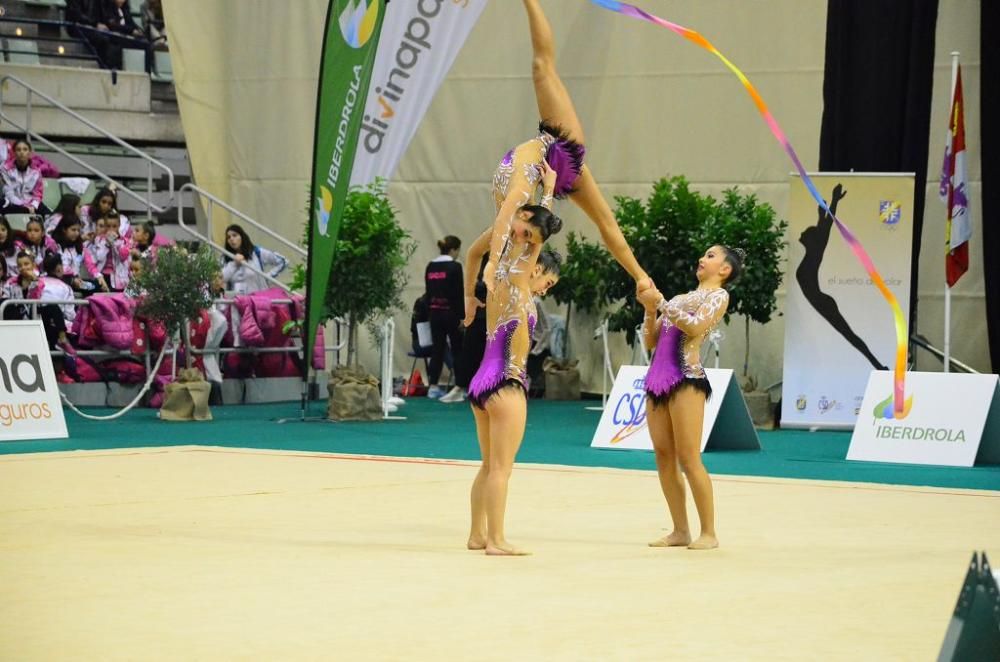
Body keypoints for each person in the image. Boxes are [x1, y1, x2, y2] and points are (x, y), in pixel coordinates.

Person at [481, 0, 651, 301]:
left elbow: (496, 236)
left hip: (557, 151)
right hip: (563, 165)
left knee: (542, 67)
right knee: (542, 67)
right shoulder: (523, 218)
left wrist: (492, 263)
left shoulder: (516, 205)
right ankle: (641, 275)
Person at [464, 145, 562, 555]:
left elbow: (477, 250)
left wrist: (471, 298)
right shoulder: (521, 271)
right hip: (506, 381)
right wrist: (548, 192)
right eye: (524, 231)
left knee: (489, 466)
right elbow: (535, 230)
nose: (524, 238)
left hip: (481, 382)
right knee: (502, 468)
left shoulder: (502, 268)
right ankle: (497, 540)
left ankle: (476, 534)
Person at [636, 245, 744, 551]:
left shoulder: (718, 296)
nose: (702, 258)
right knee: (663, 456)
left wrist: (662, 302)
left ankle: (708, 532)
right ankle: (680, 530)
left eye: (711, 256)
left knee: (688, 456)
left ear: (725, 270)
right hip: (658, 381)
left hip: (687, 378)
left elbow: (695, 326)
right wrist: (649, 308)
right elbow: (652, 341)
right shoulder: (681, 298)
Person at [447, 229, 561, 404]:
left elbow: (474, 252)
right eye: (548, 284)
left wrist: (469, 295)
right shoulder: (519, 293)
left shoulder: (498, 283)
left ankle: (460, 386)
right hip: (507, 385)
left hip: (481, 382)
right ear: (536, 269)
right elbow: (537, 231)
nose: (545, 291)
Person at [796, 184, 887, 370]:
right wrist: (822, 213)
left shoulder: (814, 253)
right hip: (820, 302)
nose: (801, 233)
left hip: (823, 302)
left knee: (849, 335)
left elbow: (826, 227)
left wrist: (835, 201)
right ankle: (876, 365)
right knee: (846, 336)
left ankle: (878, 365)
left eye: (806, 233)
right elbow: (823, 225)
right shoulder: (812, 252)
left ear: (812, 239)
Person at [424, 235, 464, 399]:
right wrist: (462, 316)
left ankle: (432, 386)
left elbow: (428, 292)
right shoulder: (455, 267)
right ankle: (460, 385)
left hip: (435, 314)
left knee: (437, 350)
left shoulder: (431, 266)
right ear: (453, 249)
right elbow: (458, 293)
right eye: (458, 251)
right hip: (451, 314)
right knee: (457, 350)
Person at [221, 224, 288, 295]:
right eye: (228, 237)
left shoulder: (256, 252)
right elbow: (221, 279)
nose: (231, 239)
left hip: (256, 301)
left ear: (242, 237)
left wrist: (267, 278)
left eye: (234, 235)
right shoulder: (225, 258)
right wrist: (235, 264)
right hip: (235, 302)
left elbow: (283, 261)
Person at [1, 140, 47, 215]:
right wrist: (24, 206)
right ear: (14, 153)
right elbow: (9, 193)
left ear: (29, 153)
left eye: (25, 149)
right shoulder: (5, 170)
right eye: (18, 150)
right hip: (13, 204)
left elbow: (38, 194)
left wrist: (33, 205)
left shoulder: (36, 171)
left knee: (49, 214)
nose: (22, 152)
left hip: (31, 204)